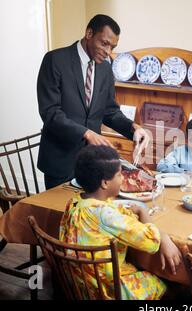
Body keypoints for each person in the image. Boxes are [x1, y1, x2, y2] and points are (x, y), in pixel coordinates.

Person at [37, 14, 150, 189]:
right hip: (60, 162)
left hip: (91, 164)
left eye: (112, 47)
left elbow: (110, 111)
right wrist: (87, 133)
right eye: (104, 43)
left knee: (90, 214)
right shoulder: (55, 60)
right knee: (60, 214)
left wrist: (134, 128)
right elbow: (50, 113)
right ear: (89, 33)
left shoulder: (105, 68)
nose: (108, 52)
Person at [59, 145, 181, 300]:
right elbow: (151, 242)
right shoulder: (105, 215)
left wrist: (130, 211)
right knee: (170, 284)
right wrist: (146, 215)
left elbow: (110, 211)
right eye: (119, 175)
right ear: (105, 183)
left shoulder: (74, 202)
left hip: (80, 284)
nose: (123, 178)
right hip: (109, 290)